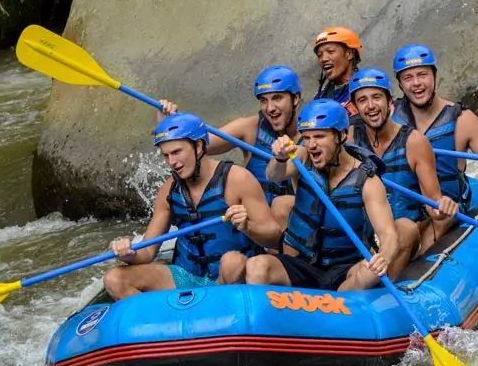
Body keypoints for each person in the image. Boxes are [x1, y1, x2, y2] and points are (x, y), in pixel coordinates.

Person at [103, 113, 283, 300]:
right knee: (114, 279)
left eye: (177, 152)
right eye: (166, 155)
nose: (172, 162)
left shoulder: (238, 179)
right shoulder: (168, 190)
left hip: (228, 279)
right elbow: (147, 252)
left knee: (232, 261)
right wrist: (128, 253)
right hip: (186, 277)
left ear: (198, 146)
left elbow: (274, 238)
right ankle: (165, 325)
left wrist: (248, 226)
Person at [245, 99, 399, 292]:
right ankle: (267, 321)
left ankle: (338, 309)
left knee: (369, 272)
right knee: (256, 266)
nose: (312, 145)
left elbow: (388, 235)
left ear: (341, 135)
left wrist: (384, 257)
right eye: (307, 137)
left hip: (344, 269)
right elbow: (273, 175)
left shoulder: (368, 181)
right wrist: (280, 158)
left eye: (319, 136)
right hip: (303, 264)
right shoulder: (301, 158)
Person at [391, 43, 478, 243]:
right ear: (400, 84)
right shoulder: (390, 117)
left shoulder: (463, 120)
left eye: (422, 75)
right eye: (408, 78)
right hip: (403, 210)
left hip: (445, 212)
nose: (416, 83)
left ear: (434, 75)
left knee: (432, 225)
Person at [154, 65, 302, 228]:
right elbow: (198, 146)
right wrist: (170, 127)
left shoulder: (313, 137)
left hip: (292, 225)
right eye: (263, 100)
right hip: (252, 223)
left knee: (282, 204)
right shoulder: (249, 128)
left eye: (277, 98)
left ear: (295, 99)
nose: (270, 108)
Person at [347, 67, 459, 277]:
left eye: (377, 97)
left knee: (404, 228)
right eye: (362, 100)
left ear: (390, 101)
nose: (371, 106)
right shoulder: (350, 140)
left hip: (408, 233)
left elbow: (432, 201)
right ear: (355, 107)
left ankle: (386, 290)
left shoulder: (415, 142)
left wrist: (443, 208)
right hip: (368, 234)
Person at [312, 26, 362, 118]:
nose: (323, 59)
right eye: (320, 55)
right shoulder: (319, 97)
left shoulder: (366, 89)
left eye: (330, 51)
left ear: (349, 54)